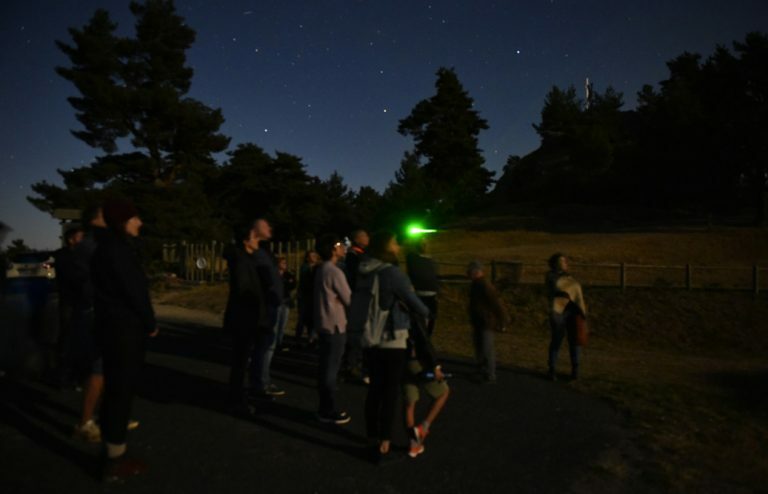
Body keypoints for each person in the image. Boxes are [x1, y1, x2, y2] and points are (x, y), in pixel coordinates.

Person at [355, 231, 443, 462]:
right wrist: (428, 311)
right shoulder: (393, 273)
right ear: (386, 247)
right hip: (393, 339)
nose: (398, 246)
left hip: (369, 337)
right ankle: (384, 441)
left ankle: (372, 436)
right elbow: (416, 305)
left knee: (375, 391)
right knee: (391, 392)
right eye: (394, 242)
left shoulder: (364, 269)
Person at [91, 197, 158, 481]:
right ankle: (115, 462)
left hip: (113, 327)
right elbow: (133, 290)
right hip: (124, 330)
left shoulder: (107, 247)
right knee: (121, 391)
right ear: (122, 221)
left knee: (116, 390)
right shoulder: (117, 250)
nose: (139, 222)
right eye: (135, 218)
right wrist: (149, 321)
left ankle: (112, 451)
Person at [224, 223, 268, 410]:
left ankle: (238, 396)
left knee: (241, 360)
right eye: (254, 237)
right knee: (241, 361)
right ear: (246, 240)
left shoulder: (245, 259)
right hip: (245, 318)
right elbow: (245, 290)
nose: (258, 240)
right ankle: (236, 400)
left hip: (246, 316)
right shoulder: (242, 261)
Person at [313, 235, 352, 424]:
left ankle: (324, 406)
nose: (342, 247)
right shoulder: (335, 272)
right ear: (332, 250)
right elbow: (349, 299)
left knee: (325, 366)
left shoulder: (320, 270)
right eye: (339, 245)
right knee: (331, 368)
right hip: (335, 324)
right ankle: (327, 409)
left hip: (323, 323)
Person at [250, 218, 286, 397]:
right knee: (263, 346)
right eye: (265, 224)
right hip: (267, 305)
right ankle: (260, 383)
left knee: (267, 346)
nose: (269, 227)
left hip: (273, 303)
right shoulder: (255, 252)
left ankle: (263, 380)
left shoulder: (265, 251)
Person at [51, 225, 85, 385]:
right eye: (80, 237)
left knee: (80, 337)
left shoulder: (82, 255)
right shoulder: (63, 256)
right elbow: (72, 277)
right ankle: (62, 374)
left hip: (81, 301)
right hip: (70, 301)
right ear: (71, 239)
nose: (83, 240)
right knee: (67, 336)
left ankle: (75, 374)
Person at [403, 344, 450, 458]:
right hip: (417, 359)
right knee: (443, 392)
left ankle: (413, 443)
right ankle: (422, 428)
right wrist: (435, 366)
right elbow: (423, 338)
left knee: (410, 402)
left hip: (401, 357)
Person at [545, 253, 587, 381]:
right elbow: (558, 288)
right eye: (562, 261)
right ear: (556, 263)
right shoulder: (551, 276)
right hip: (559, 311)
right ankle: (552, 369)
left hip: (573, 312)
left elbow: (577, 292)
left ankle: (575, 369)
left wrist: (582, 310)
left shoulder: (569, 277)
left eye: (565, 261)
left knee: (575, 341)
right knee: (557, 340)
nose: (565, 263)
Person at [467, 261, 506, 383]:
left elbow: (496, 303)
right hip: (478, 320)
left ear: (476, 272)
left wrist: (503, 320)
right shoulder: (476, 284)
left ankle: (490, 374)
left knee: (487, 347)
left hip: (486, 321)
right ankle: (482, 368)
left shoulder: (484, 285)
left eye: (470, 271)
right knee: (479, 346)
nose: (468, 274)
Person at [343, 229, 370, 382]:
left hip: (360, 297)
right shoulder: (354, 256)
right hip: (358, 298)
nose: (368, 238)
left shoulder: (360, 255)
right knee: (356, 333)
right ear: (357, 239)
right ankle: (352, 364)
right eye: (365, 236)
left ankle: (353, 363)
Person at [405, 236, 439, 338]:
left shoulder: (430, 260)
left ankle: (426, 340)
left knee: (430, 321)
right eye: (421, 243)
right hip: (419, 294)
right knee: (418, 322)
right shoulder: (412, 258)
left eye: (425, 243)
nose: (424, 245)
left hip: (432, 296)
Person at [294, 250, 320, 344]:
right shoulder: (305, 267)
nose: (313, 257)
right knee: (302, 318)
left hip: (313, 296)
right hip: (305, 296)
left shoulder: (318, 267)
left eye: (314, 255)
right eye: (310, 256)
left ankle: (311, 338)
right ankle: (298, 338)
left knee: (312, 319)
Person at [275, 256, 296, 351]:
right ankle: (273, 342)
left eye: (285, 263)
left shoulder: (287, 275)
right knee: (276, 323)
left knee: (282, 324)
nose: (284, 264)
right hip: (277, 302)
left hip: (286, 301)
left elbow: (293, 283)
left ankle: (279, 342)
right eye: (282, 262)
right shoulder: (275, 275)